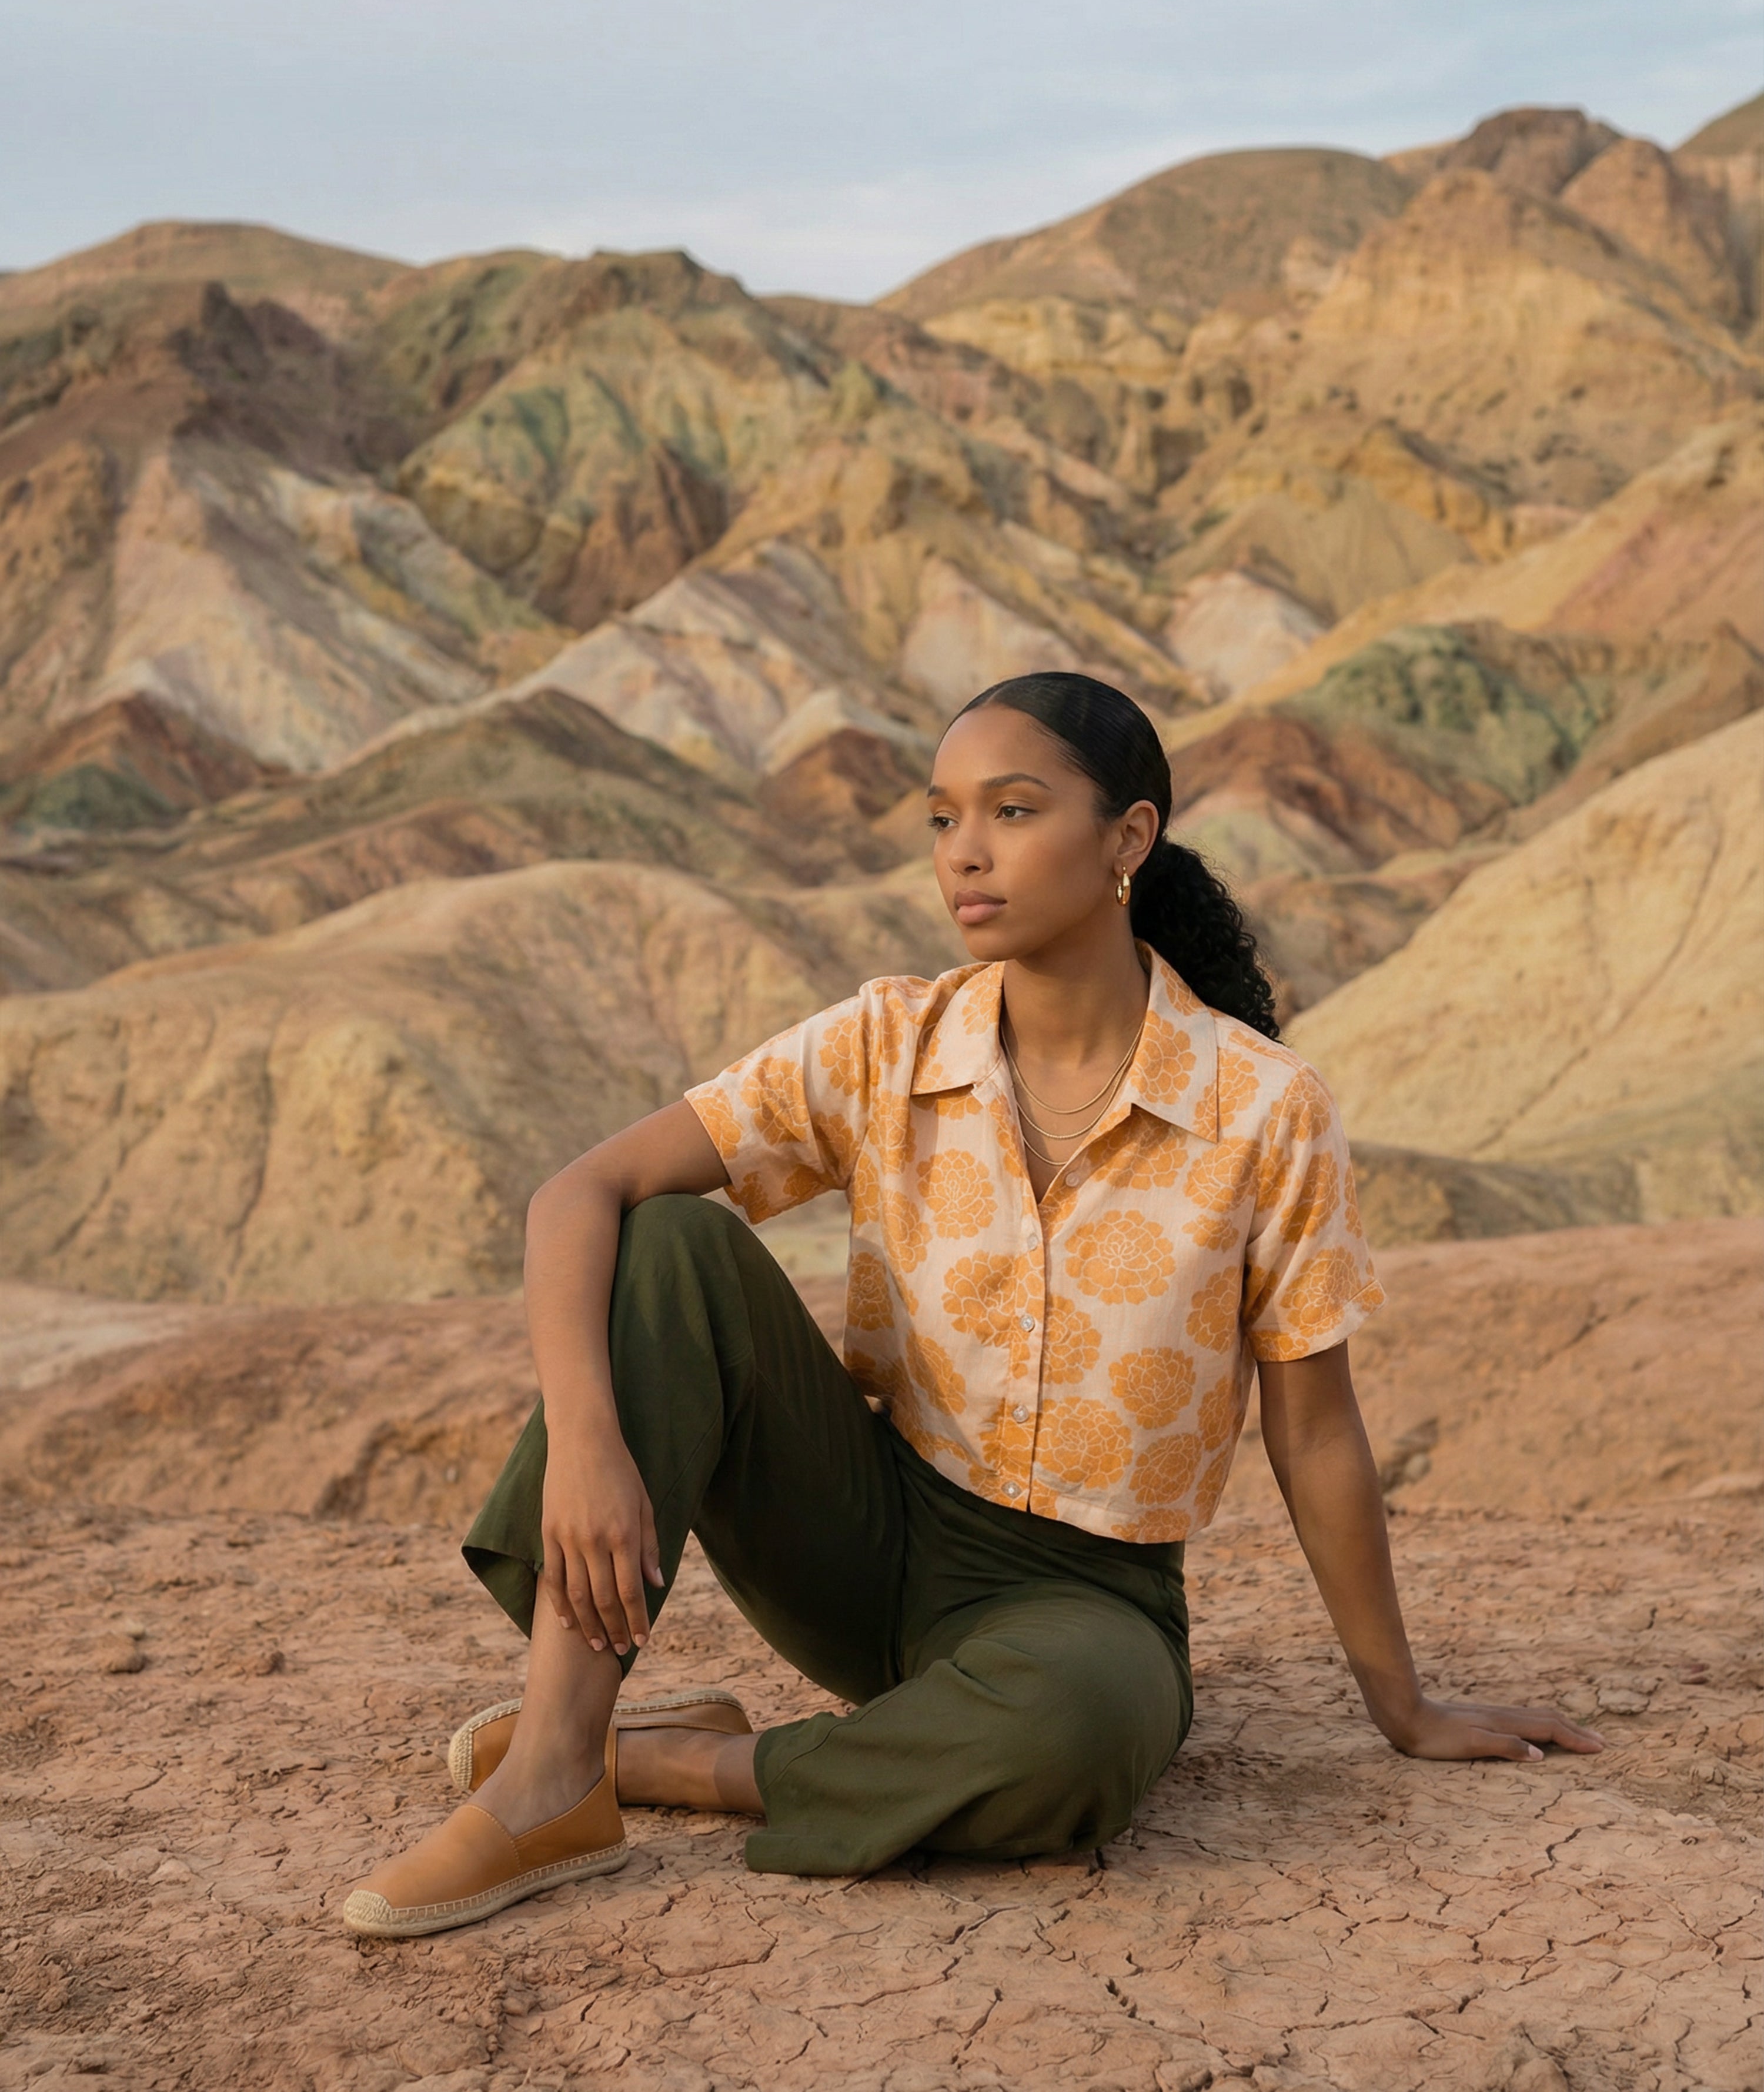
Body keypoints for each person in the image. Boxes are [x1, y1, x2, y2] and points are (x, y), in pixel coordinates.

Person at [341, 670, 1600, 1936]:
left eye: (1010, 809)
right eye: (942, 819)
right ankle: (555, 1762)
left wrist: (1405, 1702)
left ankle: (665, 1763)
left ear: (1129, 838)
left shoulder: (1266, 1108)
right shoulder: (888, 1043)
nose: (966, 854)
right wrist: (590, 1441)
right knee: (670, 1240)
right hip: (868, 1530)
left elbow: (1316, 1428)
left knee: (1084, 1732)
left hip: (1085, 1602)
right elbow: (579, 1193)